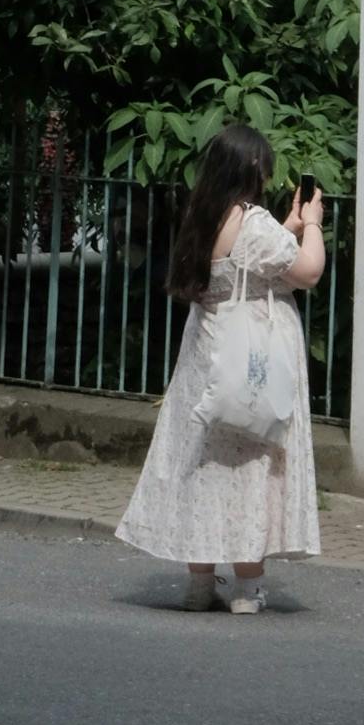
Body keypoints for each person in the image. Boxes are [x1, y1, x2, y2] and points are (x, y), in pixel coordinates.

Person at [115, 121, 324, 612]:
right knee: (248, 461)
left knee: (203, 464)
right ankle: (249, 589)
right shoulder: (252, 222)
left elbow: (247, 259)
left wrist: (286, 227)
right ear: (253, 166)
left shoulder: (203, 214)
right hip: (248, 364)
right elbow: (307, 271)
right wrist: (311, 223)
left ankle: (199, 583)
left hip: (205, 358)